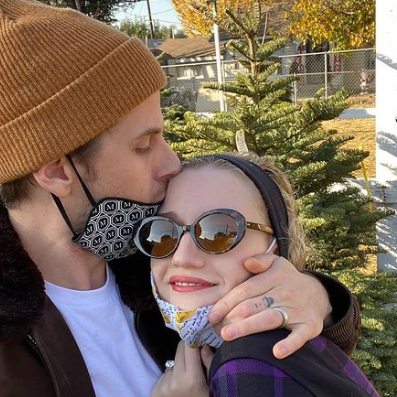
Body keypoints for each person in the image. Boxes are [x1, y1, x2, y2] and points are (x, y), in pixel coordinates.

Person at [0, 1, 359, 396]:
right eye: (143, 145)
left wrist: (320, 301)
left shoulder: (162, 260)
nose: (173, 162)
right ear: (55, 170)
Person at [135, 154, 379, 397]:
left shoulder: (247, 366)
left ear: (274, 245)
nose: (182, 257)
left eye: (219, 231)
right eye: (163, 232)